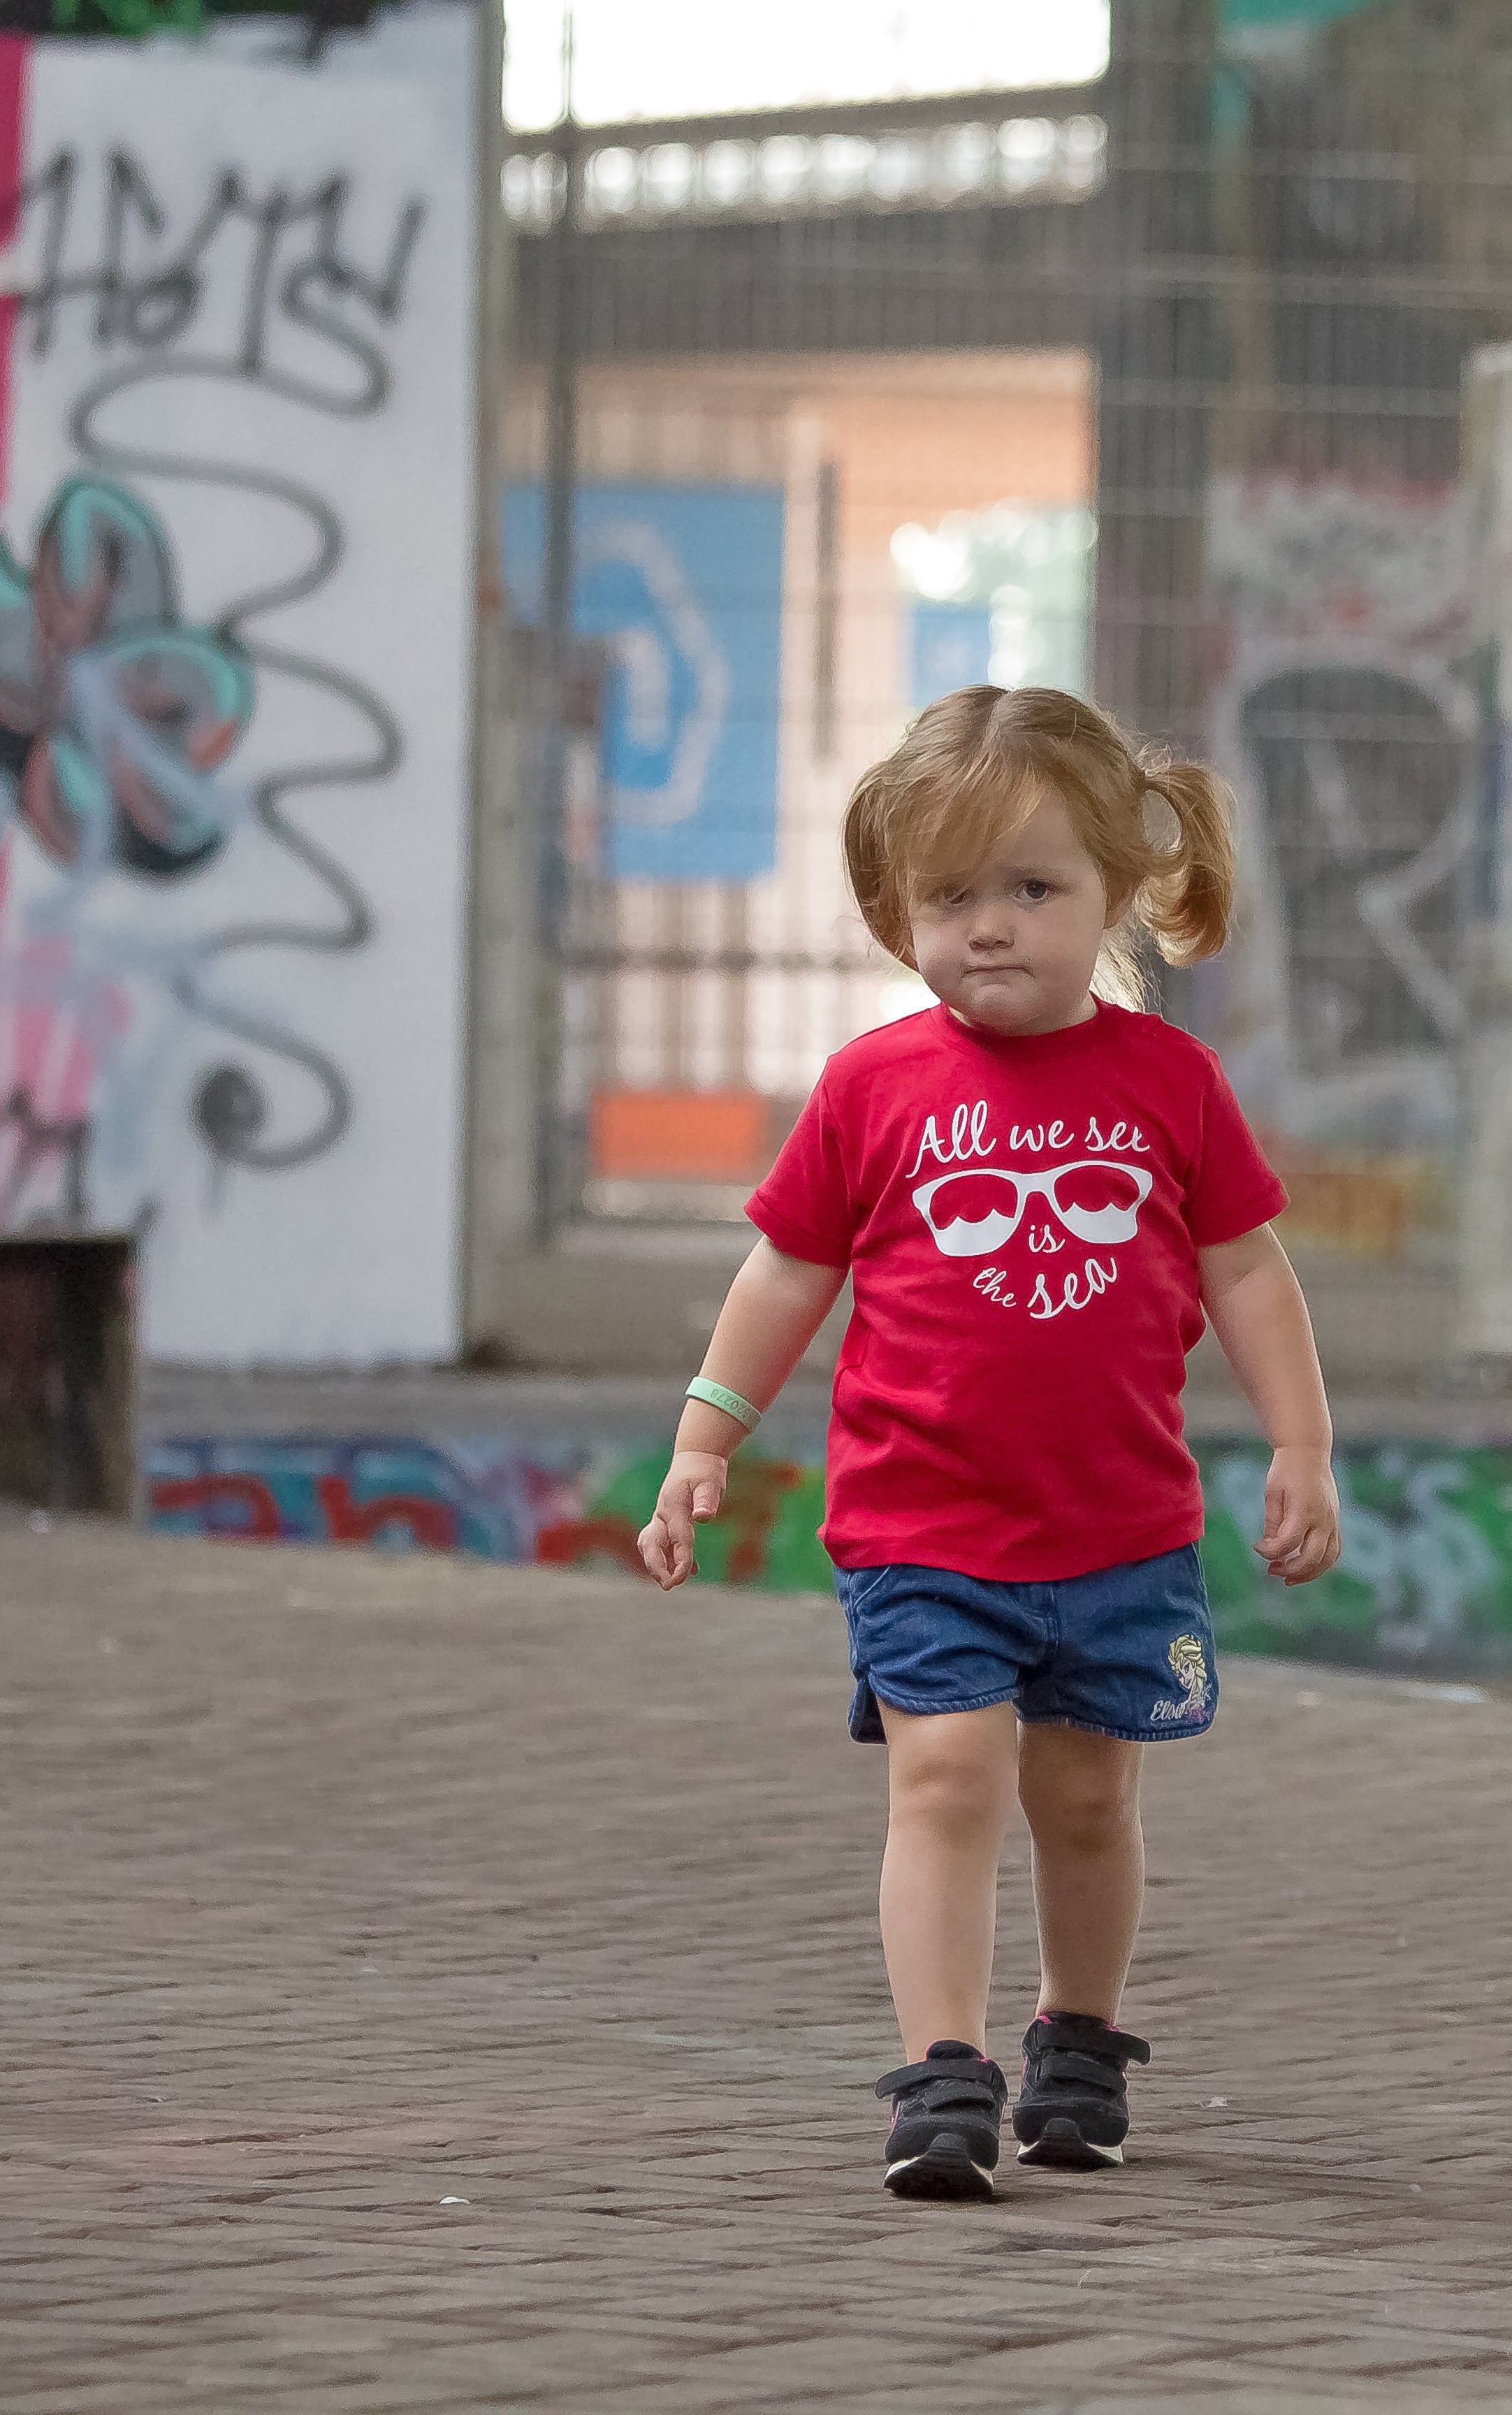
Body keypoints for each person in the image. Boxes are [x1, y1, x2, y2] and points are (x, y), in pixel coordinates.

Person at [639, 685, 1342, 2201]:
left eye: (1033, 889)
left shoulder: (1172, 1084)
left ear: (1116, 892)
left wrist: (1302, 1444)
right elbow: (786, 1272)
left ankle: (1078, 2041)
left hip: (1118, 1531)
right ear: (899, 916)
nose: (993, 927)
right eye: (953, 896)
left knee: (1086, 1801)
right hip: (922, 1527)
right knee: (946, 1778)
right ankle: (942, 2072)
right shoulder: (872, 1087)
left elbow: (1247, 1274)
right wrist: (706, 1437)